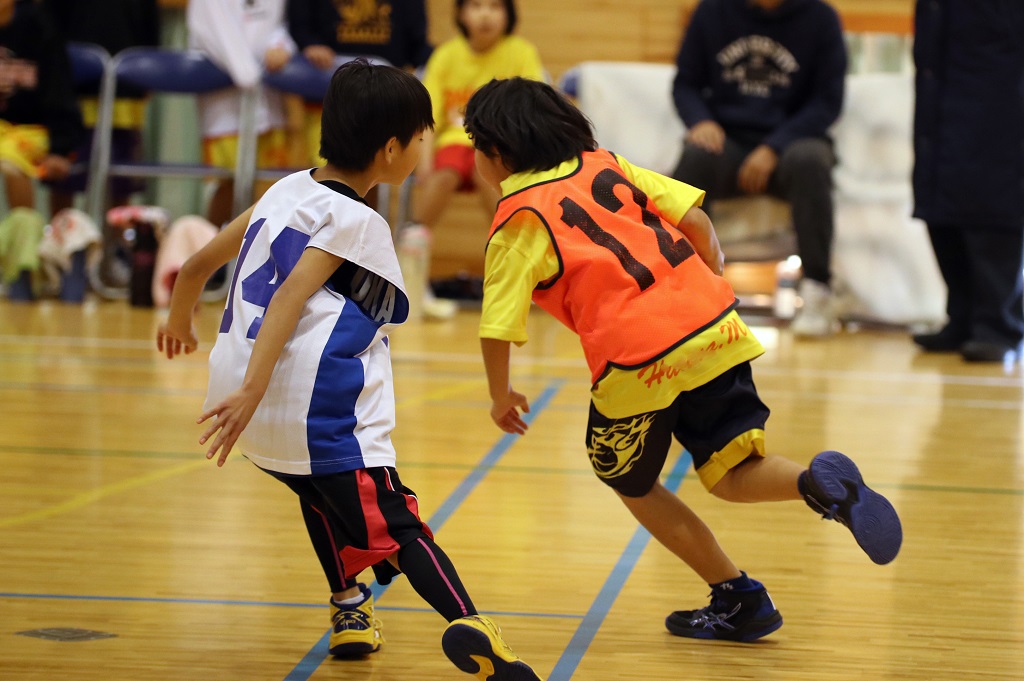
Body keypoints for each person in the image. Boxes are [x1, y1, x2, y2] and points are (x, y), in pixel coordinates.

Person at [463, 77, 902, 641]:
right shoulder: (605, 164)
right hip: (715, 327)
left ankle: (737, 592)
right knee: (731, 470)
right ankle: (820, 486)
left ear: (495, 153)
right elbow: (695, 220)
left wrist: (500, 395)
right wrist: (705, 282)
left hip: (637, 363)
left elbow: (496, 326)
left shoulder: (517, 220)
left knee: (628, 479)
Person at [155, 61, 542, 680]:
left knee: (320, 496)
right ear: (392, 149)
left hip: (243, 406)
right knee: (400, 523)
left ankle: (349, 607)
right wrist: (256, 389)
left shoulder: (281, 190)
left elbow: (198, 264)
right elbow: (289, 297)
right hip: (300, 405)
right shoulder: (359, 221)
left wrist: (180, 321)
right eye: (423, 136)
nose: (425, 146)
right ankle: (473, 627)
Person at [669, 0, 846, 337]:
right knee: (695, 158)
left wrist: (773, 147)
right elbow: (685, 84)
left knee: (811, 162)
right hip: (728, 140)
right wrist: (700, 120)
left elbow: (827, 101)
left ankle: (817, 289)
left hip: (794, 142)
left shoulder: (821, 18)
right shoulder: (711, 11)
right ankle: (679, 287)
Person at [406, 0, 544, 320]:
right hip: (454, 145)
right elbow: (428, 117)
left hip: (500, 147)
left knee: (492, 185)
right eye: (476, 5)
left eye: (495, 6)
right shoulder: (445, 56)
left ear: (508, 14)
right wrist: (424, 163)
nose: (485, 14)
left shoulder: (521, 53)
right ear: (460, 14)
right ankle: (412, 259)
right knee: (444, 175)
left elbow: (532, 109)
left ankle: (516, 277)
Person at [910, 0, 1024, 363]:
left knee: (992, 208)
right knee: (942, 208)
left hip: (999, 109)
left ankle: (999, 324)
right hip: (940, 102)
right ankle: (962, 317)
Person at [44, 0, 160, 218]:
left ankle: (115, 242)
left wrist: (147, 73)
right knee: (64, 174)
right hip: (70, 88)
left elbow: (149, 22)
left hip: (125, 87)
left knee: (120, 179)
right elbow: (49, 23)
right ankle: (59, 243)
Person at [0, 0, 83, 300]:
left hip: (31, 129)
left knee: (10, 163)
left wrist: (61, 146)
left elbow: (59, 90)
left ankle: (27, 260)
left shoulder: (39, 24)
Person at [186, 0, 295, 228]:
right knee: (230, 185)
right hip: (226, 104)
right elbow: (214, 31)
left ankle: (258, 258)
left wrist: (281, 45)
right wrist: (249, 74)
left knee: (270, 188)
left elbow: (281, 24)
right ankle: (211, 256)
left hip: (268, 99)